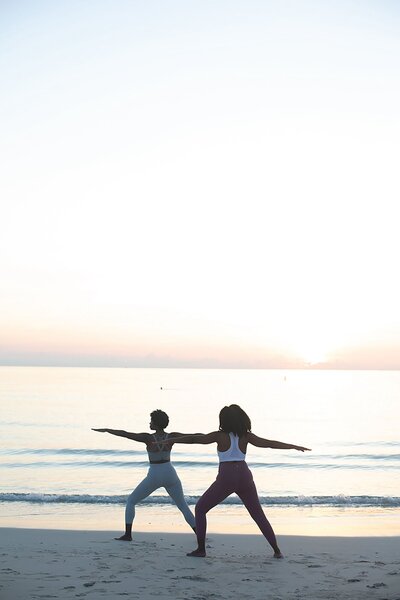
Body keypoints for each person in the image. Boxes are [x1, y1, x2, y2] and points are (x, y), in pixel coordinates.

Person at [168, 404, 311, 558]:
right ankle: (277, 551)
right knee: (258, 515)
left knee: (200, 509)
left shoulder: (219, 436)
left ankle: (201, 549)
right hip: (244, 475)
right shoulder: (246, 436)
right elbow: (270, 443)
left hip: (227, 477)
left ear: (223, 420)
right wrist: (293, 446)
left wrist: (171, 440)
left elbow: (194, 439)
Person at [92, 409, 196, 540]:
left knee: (131, 501)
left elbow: (125, 434)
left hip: (155, 474)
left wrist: (107, 430)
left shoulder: (148, 438)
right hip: (170, 473)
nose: (149, 423)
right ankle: (200, 535)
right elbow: (193, 437)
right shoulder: (171, 437)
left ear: (156, 423)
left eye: (151, 421)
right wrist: (216, 436)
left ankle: (128, 535)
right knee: (183, 506)